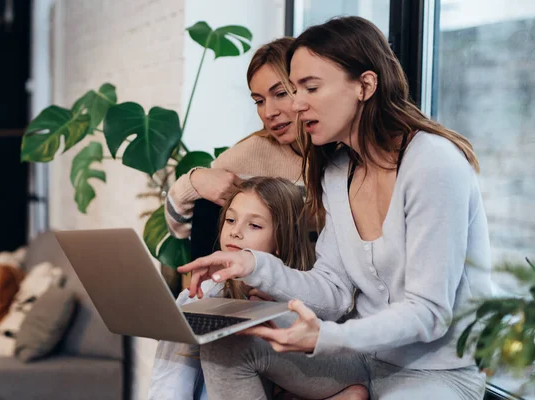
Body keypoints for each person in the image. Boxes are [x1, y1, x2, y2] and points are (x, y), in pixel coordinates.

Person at [178, 16, 492, 400]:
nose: (295, 104)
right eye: (294, 89)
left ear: (365, 85)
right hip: (360, 357)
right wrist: (254, 265)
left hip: (437, 373)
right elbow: (335, 290)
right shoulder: (338, 171)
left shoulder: (433, 163)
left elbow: (429, 313)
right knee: (225, 343)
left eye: (310, 87)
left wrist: (328, 336)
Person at [149, 177, 316, 399]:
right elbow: (170, 380)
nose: (235, 232)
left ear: (284, 237)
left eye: (254, 225)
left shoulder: (304, 298)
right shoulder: (203, 293)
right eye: (230, 220)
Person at [164, 37, 306, 241]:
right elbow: (179, 229)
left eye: (281, 93)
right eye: (259, 101)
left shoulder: (348, 154)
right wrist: (193, 181)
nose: (268, 112)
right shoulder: (249, 154)